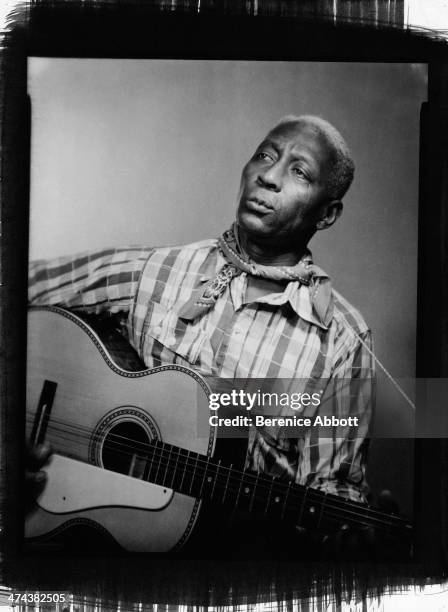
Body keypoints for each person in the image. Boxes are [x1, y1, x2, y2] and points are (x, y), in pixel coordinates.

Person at [26, 115, 391, 559]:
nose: (268, 176)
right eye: (265, 155)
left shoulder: (343, 339)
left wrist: (349, 534)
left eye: (298, 171)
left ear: (328, 213)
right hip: (100, 553)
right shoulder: (154, 271)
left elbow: (331, 490)